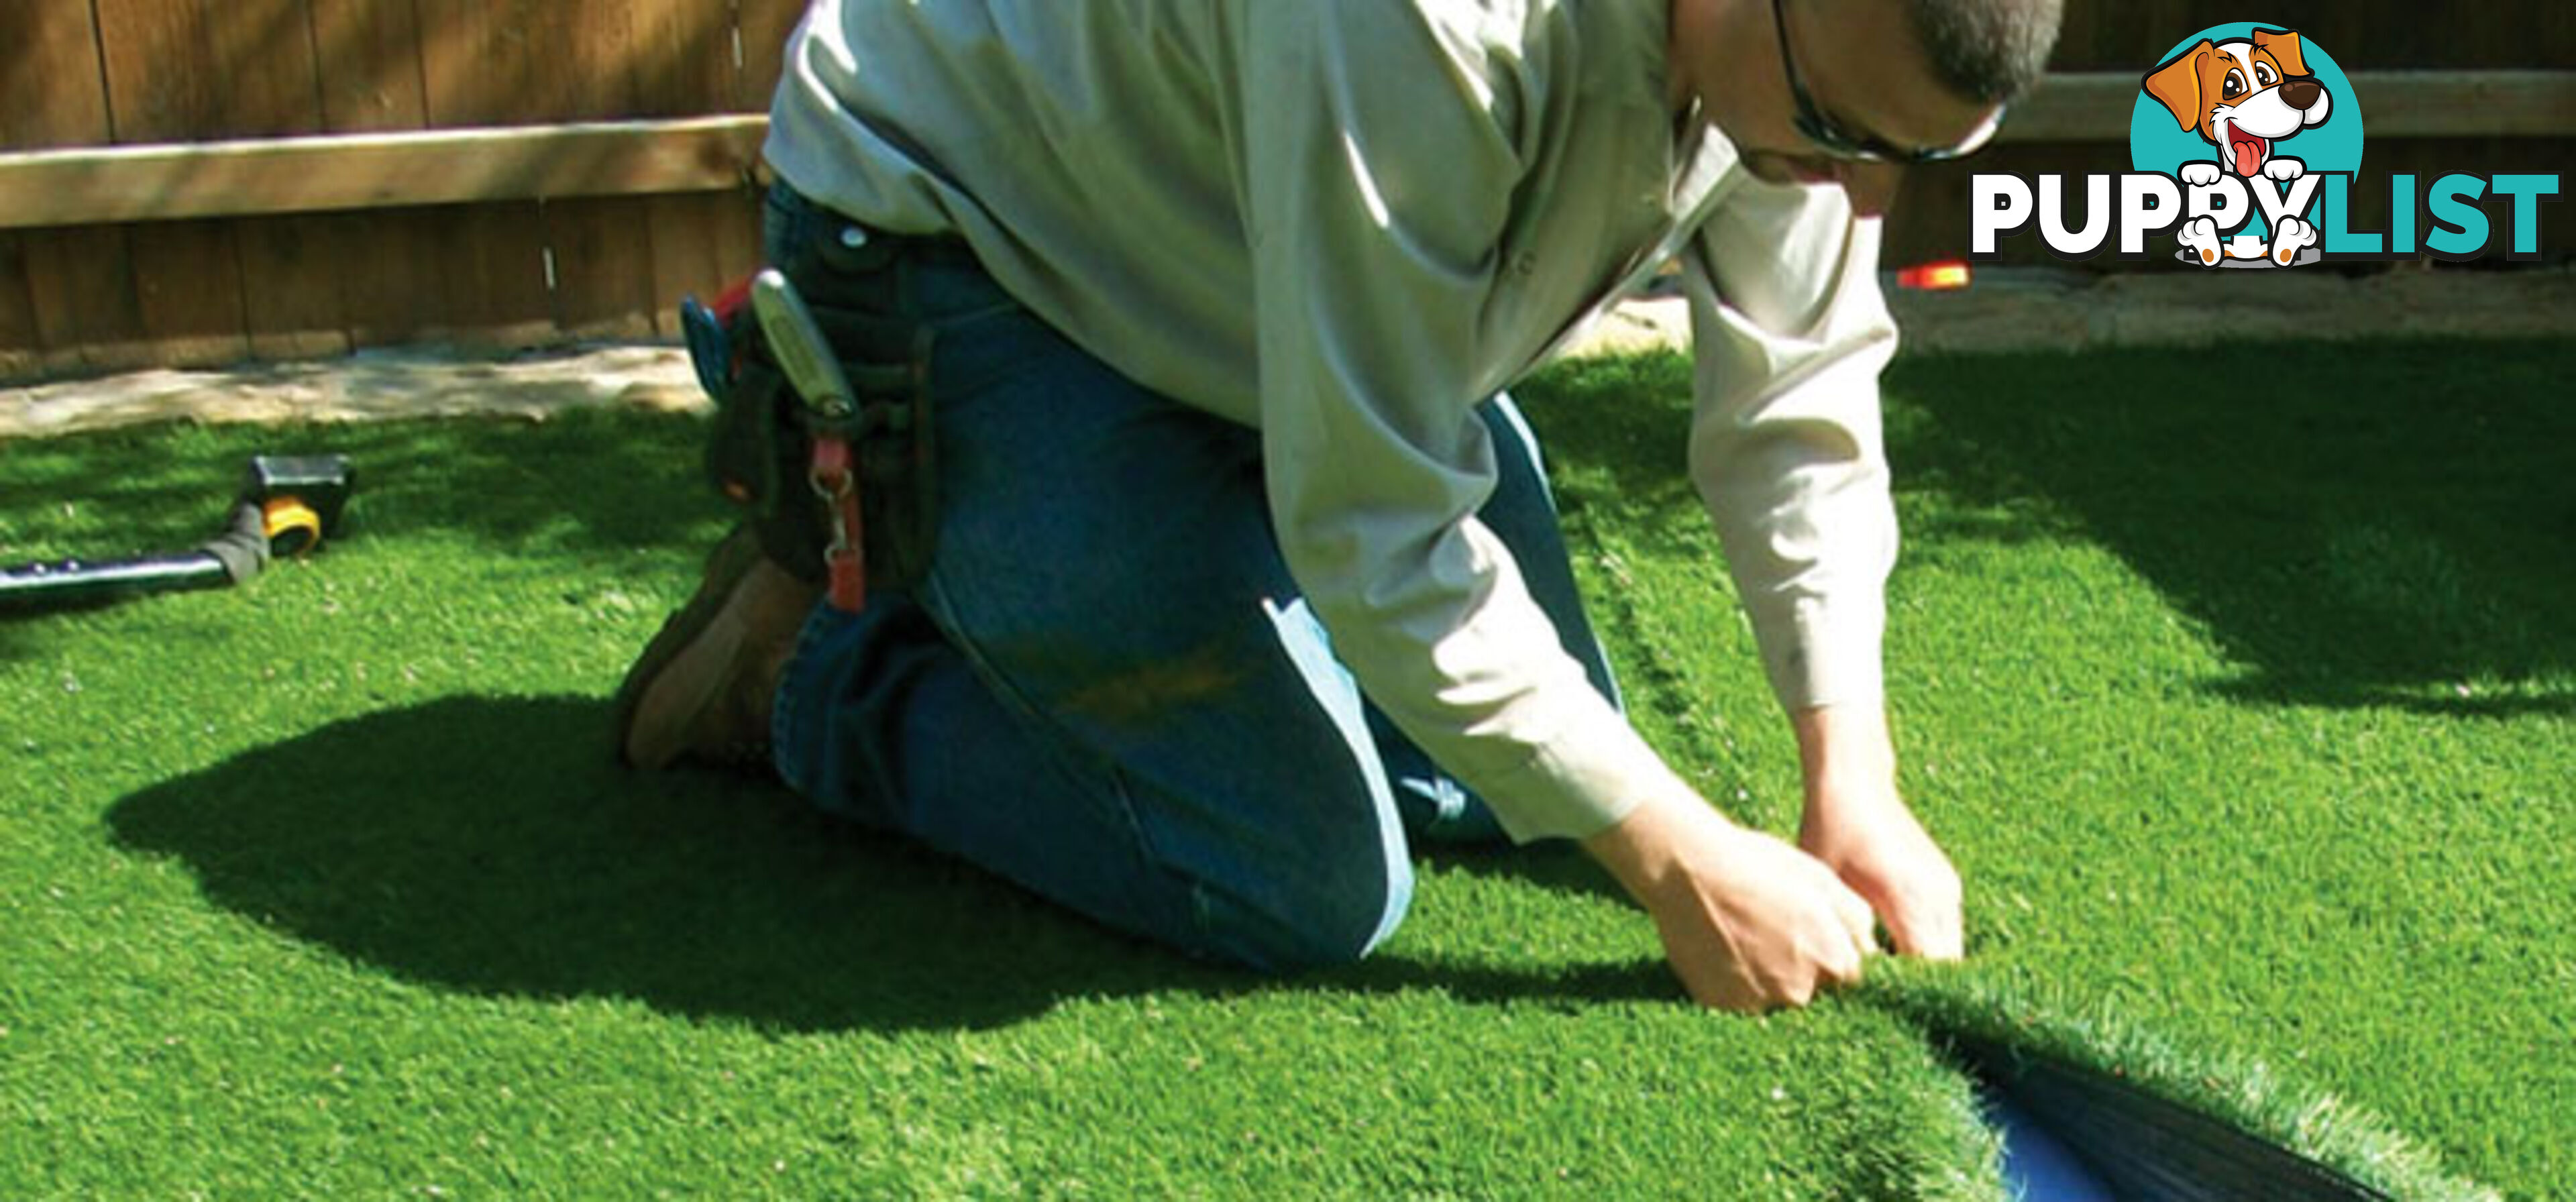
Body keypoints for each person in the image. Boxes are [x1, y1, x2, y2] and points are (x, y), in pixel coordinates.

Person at [615, 0, 2061, 1012]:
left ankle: (1059, 551)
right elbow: (1374, 528)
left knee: (1494, 787)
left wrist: (1847, 776)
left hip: (1223, 266)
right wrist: (1681, 855)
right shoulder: (1429, 19)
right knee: (1301, 874)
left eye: (1908, 155)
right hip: (965, 249)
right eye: (1827, 132)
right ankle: (823, 654)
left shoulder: (1809, 72)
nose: (1848, 184)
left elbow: (1797, 402)